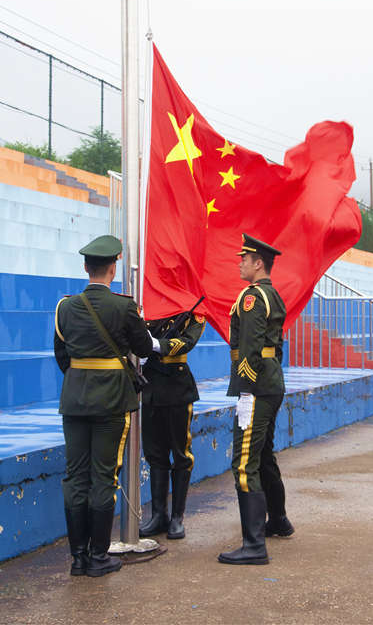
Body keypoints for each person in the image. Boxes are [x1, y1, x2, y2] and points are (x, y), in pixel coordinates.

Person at [54, 235, 155, 578]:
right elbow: (142, 348)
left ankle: (78, 558)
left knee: (75, 478)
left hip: (75, 399)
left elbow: (62, 356)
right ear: (113, 268)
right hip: (111, 399)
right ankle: (98, 556)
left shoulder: (65, 307)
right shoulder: (125, 307)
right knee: (103, 477)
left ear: (86, 267)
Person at [218, 233, 294, 566]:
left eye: (243, 259)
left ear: (257, 262)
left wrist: (244, 387)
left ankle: (253, 546)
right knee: (263, 456)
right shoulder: (273, 295)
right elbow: (274, 346)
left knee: (244, 462)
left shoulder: (251, 297)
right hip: (271, 381)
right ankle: (277, 520)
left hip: (256, 385)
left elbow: (249, 346)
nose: (240, 263)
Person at [139, 311, 206, 540]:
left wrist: (157, 345)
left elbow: (188, 342)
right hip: (150, 387)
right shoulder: (148, 304)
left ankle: (177, 517)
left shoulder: (193, 311)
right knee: (155, 454)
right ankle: (159, 515)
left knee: (180, 453)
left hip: (177, 387)